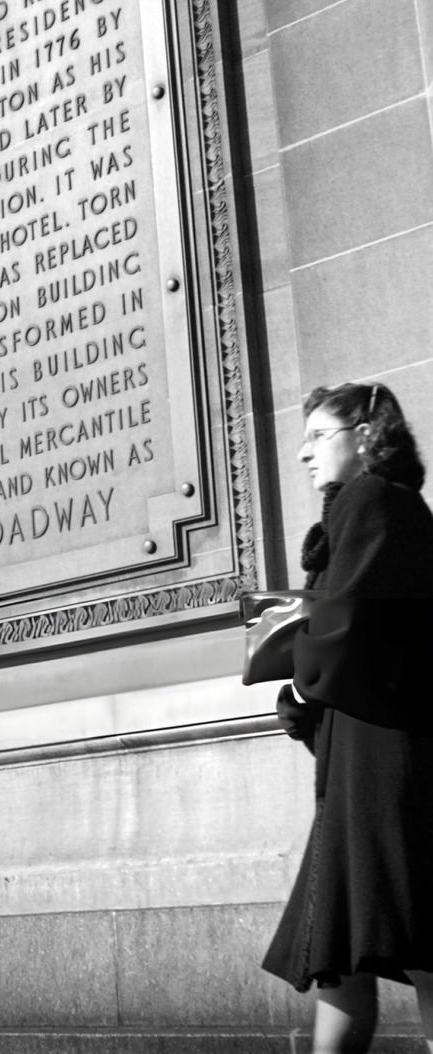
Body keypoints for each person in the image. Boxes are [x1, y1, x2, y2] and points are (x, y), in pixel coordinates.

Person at [263, 382, 433, 1052]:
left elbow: (348, 622)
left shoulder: (369, 498)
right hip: (373, 753)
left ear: (366, 434)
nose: (304, 453)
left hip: (379, 761)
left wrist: (293, 668)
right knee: (349, 950)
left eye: (318, 435)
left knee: (398, 936)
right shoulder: (391, 506)